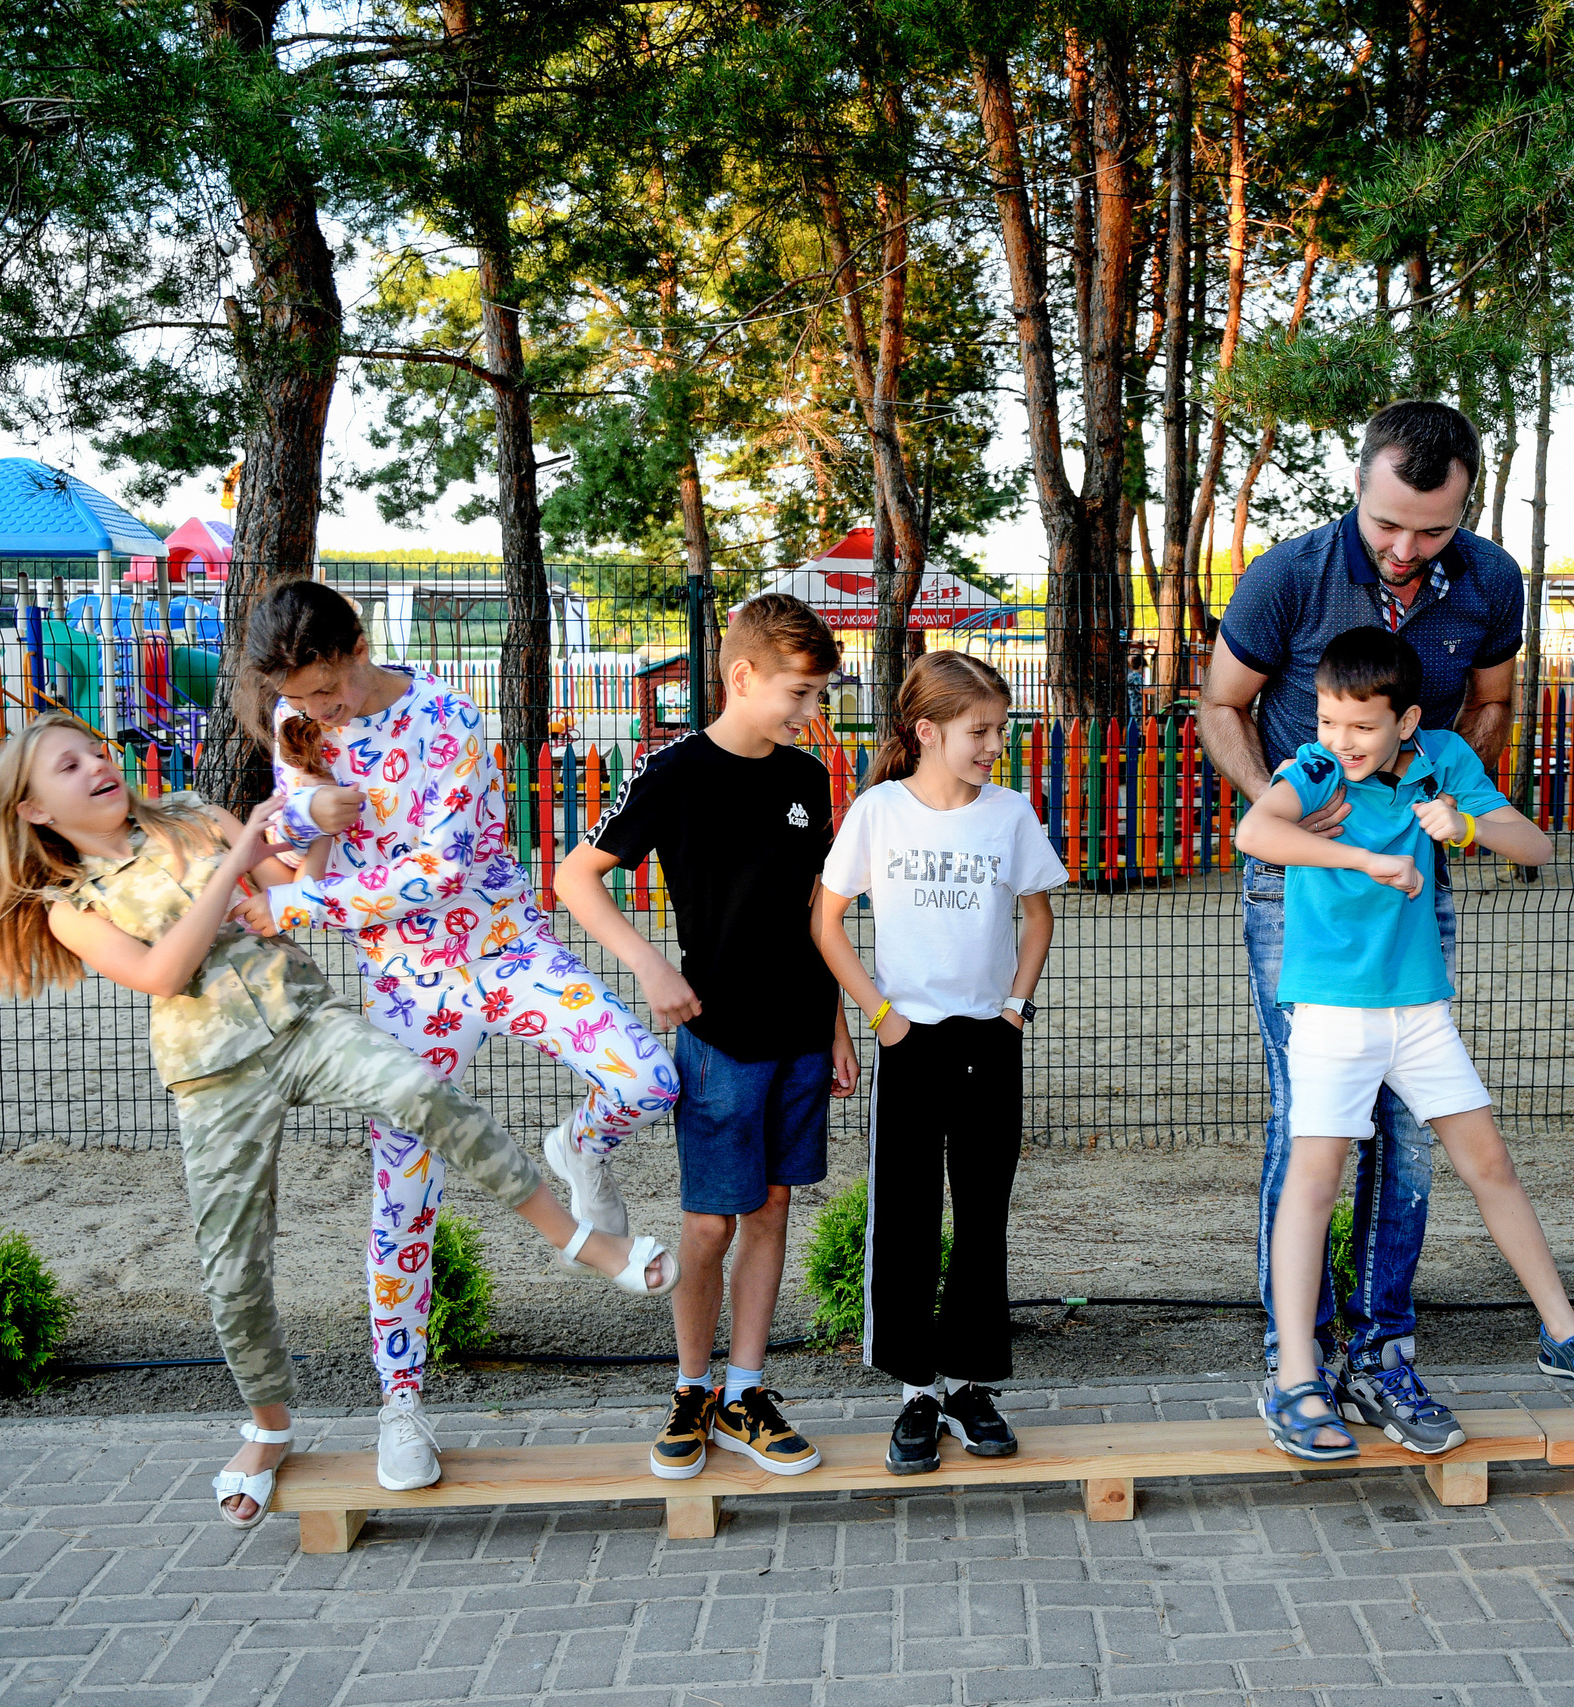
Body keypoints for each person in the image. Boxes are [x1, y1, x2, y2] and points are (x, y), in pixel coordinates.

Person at [0, 716, 657, 1528]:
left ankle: (582, 1240)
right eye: (68, 763)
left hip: (306, 1022)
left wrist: (316, 828)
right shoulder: (69, 906)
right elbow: (165, 968)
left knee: (422, 1092)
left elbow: (291, 885)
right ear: (33, 810)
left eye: (95, 749)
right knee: (233, 1265)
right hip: (213, 1072)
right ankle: (269, 1428)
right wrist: (236, 859)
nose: (97, 763)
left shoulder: (194, 811)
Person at [242, 582, 680, 1492]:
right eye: (302, 697)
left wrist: (297, 898)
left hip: (504, 949)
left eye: (328, 689)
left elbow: (436, 871)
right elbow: (299, 835)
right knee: (402, 1189)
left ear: (359, 644)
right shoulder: (298, 720)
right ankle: (400, 1402)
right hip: (405, 986)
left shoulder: (449, 716)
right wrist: (305, 816)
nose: (318, 709)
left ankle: (580, 1145)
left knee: (647, 1078)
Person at [1201, 397, 1570, 1454]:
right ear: (1356, 486)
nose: (1406, 550)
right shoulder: (1287, 575)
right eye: (1387, 525)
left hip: (1412, 878)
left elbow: (1490, 704)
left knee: (1411, 1130)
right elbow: (1221, 704)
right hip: (1299, 888)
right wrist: (1286, 807)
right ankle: (1296, 1356)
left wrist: (1452, 788)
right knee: (1311, 1128)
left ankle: (1385, 1351)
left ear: (1466, 512)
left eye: (1432, 531)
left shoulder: (1492, 581)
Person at [1235, 628, 1574, 1459]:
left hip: (1420, 1013)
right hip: (1330, 1014)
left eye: (1361, 725)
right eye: (1329, 720)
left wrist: (1463, 825)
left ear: (1408, 719)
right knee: (1315, 1181)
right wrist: (1362, 857)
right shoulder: (1316, 768)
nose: (1341, 740)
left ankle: (1565, 1336)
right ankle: (1295, 1375)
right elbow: (1258, 835)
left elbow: (1534, 844)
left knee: (1489, 1164)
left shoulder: (1443, 758)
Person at [556, 595, 859, 1482]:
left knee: (771, 1209)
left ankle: (746, 1393)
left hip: (801, 1035)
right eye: (800, 694)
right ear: (743, 675)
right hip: (719, 1039)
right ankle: (690, 1386)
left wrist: (835, 1022)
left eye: (817, 697)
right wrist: (651, 967)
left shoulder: (805, 781)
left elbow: (817, 910)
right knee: (708, 1224)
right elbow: (578, 877)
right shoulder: (672, 770)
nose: (811, 714)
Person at [813, 651, 1067, 1475]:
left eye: (1000, 729)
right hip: (909, 1039)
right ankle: (915, 1391)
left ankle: (968, 1382)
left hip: (987, 1042)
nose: (995, 744)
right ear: (927, 731)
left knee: (983, 1208)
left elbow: (1037, 917)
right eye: (979, 730)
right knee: (909, 1212)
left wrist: (1014, 1009)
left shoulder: (1009, 814)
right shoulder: (879, 811)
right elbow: (826, 923)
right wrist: (881, 1018)